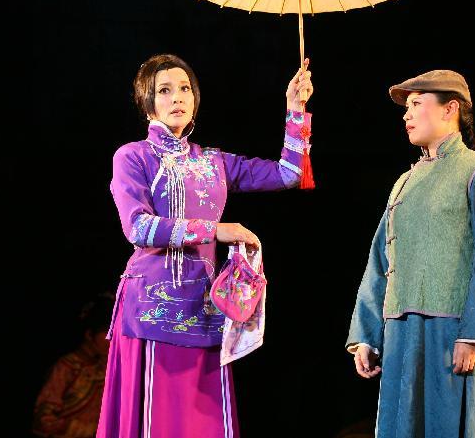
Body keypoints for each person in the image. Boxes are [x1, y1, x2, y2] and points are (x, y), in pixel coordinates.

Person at [97, 53, 314, 438]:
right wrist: (216, 229)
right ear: (147, 102)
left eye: (184, 89)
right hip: (152, 310)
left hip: (206, 309)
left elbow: (289, 173)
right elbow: (139, 228)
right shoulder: (132, 156)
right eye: (164, 90)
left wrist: (295, 109)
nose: (177, 97)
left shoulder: (214, 161)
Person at [346, 69, 475, 438]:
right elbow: (380, 259)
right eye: (406, 108)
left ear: (449, 108)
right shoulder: (404, 182)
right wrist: (367, 334)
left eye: (416, 104)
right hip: (401, 332)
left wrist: (474, 334)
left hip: (451, 330)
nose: (406, 115)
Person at [33, 293, 116, 438]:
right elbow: (43, 419)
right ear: (89, 335)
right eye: (107, 335)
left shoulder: (106, 368)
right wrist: (85, 429)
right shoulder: (66, 368)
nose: (111, 342)